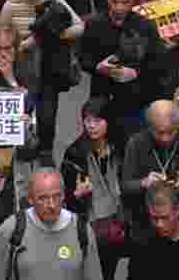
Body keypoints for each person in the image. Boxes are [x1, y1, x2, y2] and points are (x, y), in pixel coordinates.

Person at [0, 0, 85, 163]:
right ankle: (23, 152)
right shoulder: (10, 7)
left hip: (49, 69)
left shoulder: (55, 0)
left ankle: (46, 154)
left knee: (47, 116)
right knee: (22, 115)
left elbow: (80, 26)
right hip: (22, 70)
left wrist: (53, 35)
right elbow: (1, 35)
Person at [79, 0, 166, 150]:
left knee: (130, 149)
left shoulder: (144, 26)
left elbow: (159, 64)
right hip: (101, 99)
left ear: (133, 0)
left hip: (134, 101)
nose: (119, 8)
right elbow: (82, 57)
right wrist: (97, 67)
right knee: (99, 150)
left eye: (125, 2)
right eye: (115, 2)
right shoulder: (94, 24)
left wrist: (136, 73)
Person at [0, 168, 102, 280]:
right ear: (30, 199)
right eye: (43, 198)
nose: (51, 205)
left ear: (64, 195)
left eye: (56, 196)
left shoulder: (82, 231)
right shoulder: (11, 230)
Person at [121, 100, 179, 244]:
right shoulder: (136, 143)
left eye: (171, 132)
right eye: (159, 133)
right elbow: (125, 186)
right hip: (146, 225)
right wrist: (144, 183)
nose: (165, 138)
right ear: (149, 127)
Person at [61, 99, 126, 280]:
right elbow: (63, 197)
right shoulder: (74, 153)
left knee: (108, 272)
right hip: (87, 225)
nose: (91, 126)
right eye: (87, 120)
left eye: (97, 120)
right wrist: (77, 194)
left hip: (115, 225)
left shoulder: (119, 149)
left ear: (109, 121)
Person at [126, 181, 179, 280]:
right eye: (154, 218)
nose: (159, 224)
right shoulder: (141, 246)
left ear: (177, 210)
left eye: (165, 218)